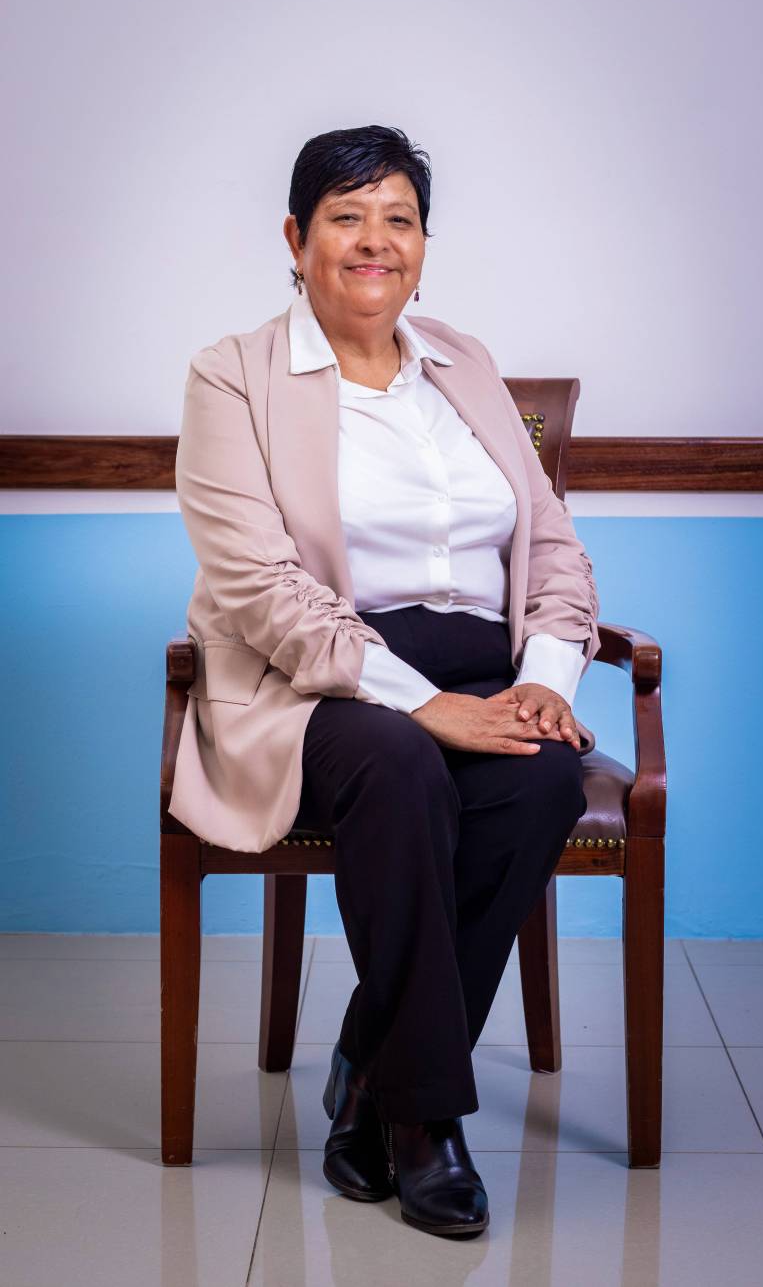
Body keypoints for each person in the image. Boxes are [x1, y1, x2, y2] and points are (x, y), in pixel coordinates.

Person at [170, 124, 601, 1240]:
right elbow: (259, 587)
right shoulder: (234, 376)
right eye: (347, 217)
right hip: (319, 681)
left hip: (487, 664)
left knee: (546, 777)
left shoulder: (464, 362)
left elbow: (551, 542)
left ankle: (367, 1066)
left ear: (423, 245)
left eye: (399, 219)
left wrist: (546, 676)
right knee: (402, 764)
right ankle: (423, 1120)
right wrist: (422, 702)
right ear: (297, 239)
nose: (376, 241)